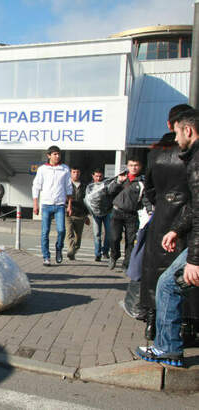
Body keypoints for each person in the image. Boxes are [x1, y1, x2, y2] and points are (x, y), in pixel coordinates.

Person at [137, 108, 199, 366]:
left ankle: (168, 347)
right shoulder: (190, 157)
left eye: (177, 132)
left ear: (187, 130)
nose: (175, 139)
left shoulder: (194, 159)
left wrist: (195, 259)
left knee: (166, 284)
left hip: (177, 227)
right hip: (182, 228)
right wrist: (178, 229)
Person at [32, 145, 72, 266]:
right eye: (55, 154)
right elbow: (36, 186)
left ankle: (59, 248)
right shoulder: (42, 169)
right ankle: (46, 256)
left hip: (60, 205)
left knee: (61, 230)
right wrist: (35, 204)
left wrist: (69, 205)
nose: (57, 156)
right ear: (49, 155)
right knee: (45, 232)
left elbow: (69, 187)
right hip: (46, 204)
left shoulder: (64, 169)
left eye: (59, 154)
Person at [107, 158, 144, 271]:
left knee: (130, 240)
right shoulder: (121, 177)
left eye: (136, 165)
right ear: (127, 166)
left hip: (132, 214)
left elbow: (146, 197)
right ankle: (114, 255)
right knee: (114, 238)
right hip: (117, 212)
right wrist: (118, 182)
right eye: (131, 165)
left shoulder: (142, 182)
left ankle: (126, 264)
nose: (133, 168)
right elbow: (110, 191)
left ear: (140, 167)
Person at [65, 166, 89, 260]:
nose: (76, 174)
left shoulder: (84, 186)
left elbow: (87, 201)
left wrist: (87, 215)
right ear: (70, 173)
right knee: (69, 233)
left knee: (78, 237)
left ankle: (73, 251)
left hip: (81, 214)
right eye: (74, 172)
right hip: (68, 213)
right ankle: (71, 250)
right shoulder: (66, 184)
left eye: (77, 172)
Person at [87, 169, 111, 262]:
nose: (98, 178)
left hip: (107, 212)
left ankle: (105, 251)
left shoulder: (106, 184)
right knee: (97, 234)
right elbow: (87, 200)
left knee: (108, 233)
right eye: (96, 176)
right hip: (95, 213)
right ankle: (97, 254)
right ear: (93, 176)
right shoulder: (90, 187)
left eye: (100, 176)